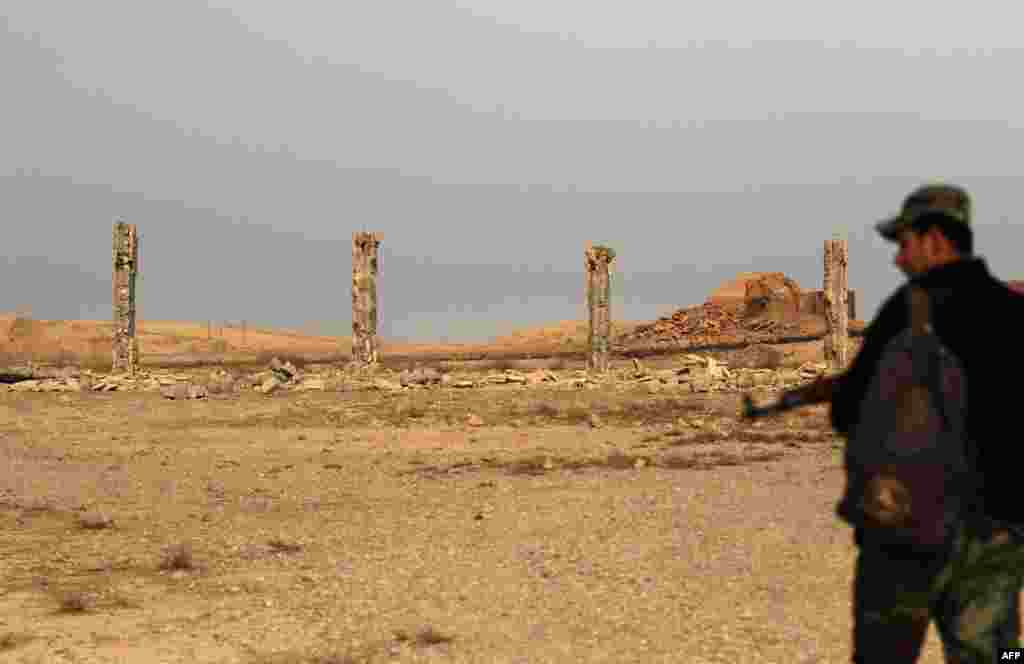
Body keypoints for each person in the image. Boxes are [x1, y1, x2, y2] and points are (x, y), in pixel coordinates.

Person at [827, 183, 1024, 663]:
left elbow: (847, 409)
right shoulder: (1014, 313)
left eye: (905, 243)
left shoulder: (909, 311)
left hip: (906, 536)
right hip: (996, 540)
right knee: (1005, 656)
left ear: (936, 239)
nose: (898, 259)